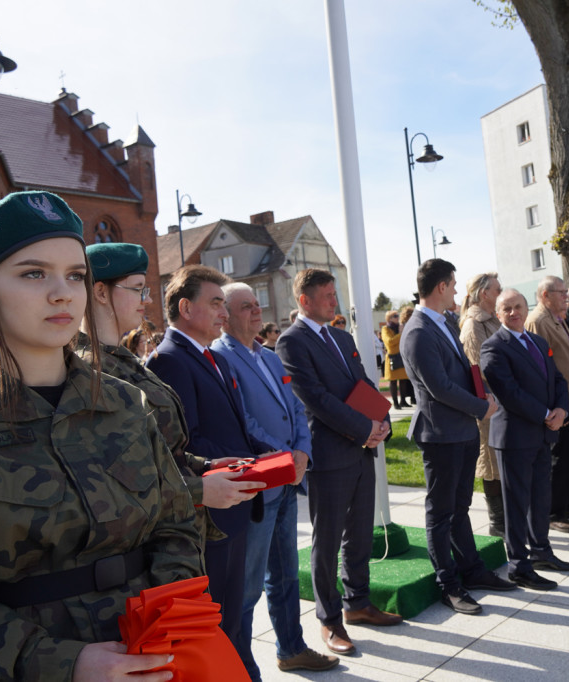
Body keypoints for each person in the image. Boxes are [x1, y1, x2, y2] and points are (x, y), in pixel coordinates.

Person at [0, 191, 203, 680]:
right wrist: (62, 664)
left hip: (155, 656)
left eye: (74, 275)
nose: (63, 293)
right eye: (33, 273)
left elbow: (176, 526)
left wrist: (167, 624)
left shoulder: (124, 403)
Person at [81, 243, 257, 549]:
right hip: (143, 540)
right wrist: (198, 488)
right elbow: (111, 479)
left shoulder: (121, 361)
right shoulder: (89, 370)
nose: (146, 301)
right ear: (100, 292)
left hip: (176, 525)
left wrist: (204, 465)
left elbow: (158, 447)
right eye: (137, 289)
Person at [146, 264, 273, 667]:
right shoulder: (170, 361)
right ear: (186, 307)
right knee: (217, 622)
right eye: (216, 303)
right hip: (210, 512)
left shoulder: (207, 356)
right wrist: (246, 462)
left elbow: (232, 422)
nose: (224, 312)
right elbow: (184, 442)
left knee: (233, 617)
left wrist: (261, 454)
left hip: (231, 504)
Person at [212, 283, 338, 673]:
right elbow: (242, 420)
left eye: (256, 304)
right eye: (246, 306)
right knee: (246, 587)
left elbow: (295, 409)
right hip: (258, 488)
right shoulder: (221, 357)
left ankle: (291, 648)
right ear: (226, 315)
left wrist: (302, 451)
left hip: (286, 480)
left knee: (283, 575)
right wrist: (284, 455)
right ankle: (241, 666)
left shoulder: (267, 356)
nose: (256, 311)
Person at [275, 269, 401, 657]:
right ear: (304, 300)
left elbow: (361, 385)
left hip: (362, 449)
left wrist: (381, 424)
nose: (334, 301)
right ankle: (330, 621)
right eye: (327, 295)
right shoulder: (291, 342)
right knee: (327, 541)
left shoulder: (341, 336)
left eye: (335, 293)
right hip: (329, 455)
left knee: (360, 533)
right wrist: (365, 429)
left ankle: (358, 603)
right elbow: (316, 399)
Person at [400, 259, 513, 615]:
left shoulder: (445, 321)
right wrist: (482, 408)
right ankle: (448, 583)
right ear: (442, 287)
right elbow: (439, 388)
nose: (457, 290)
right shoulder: (418, 330)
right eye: (453, 283)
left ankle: (472, 570)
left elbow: (465, 372)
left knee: (460, 506)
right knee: (441, 512)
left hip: (462, 428)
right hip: (441, 433)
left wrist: (484, 396)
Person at [481, 289, 569, 590]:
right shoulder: (493, 346)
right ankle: (518, 565)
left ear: (527, 308)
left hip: (543, 433)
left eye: (518, 306)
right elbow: (509, 393)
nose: (513, 312)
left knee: (540, 497)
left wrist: (562, 409)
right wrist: (547, 413)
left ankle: (541, 552)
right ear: (498, 314)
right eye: (506, 308)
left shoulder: (538, 341)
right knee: (517, 502)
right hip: (515, 437)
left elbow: (558, 379)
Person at [525, 276, 569, 533]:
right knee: (559, 460)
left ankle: (568, 503)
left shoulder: (557, 317)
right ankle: (553, 512)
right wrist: (550, 406)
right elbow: (537, 366)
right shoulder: (539, 321)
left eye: (566, 292)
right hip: (558, 405)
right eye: (560, 292)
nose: (566, 296)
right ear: (545, 295)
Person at [458, 272, 505, 536]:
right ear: (484, 293)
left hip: (502, 402)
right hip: (489, 404)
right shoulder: (474, 324)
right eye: (498, 290)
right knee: (491, 463)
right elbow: (479, 368)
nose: (501, 293)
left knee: (500, 461)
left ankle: (506, 518)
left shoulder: (491, 320)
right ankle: (498, 522)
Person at [381, 309, 411, 408]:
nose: (397, 317)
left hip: (401, 355)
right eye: (395, 316)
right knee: (393, 381)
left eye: (397, 315)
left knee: (403, 380)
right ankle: (395, 403)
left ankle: (403, 401)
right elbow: (389, 342)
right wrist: (400, 334)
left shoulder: (400, 327)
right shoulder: (385, 329)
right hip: (392, 358)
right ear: (389, 318)